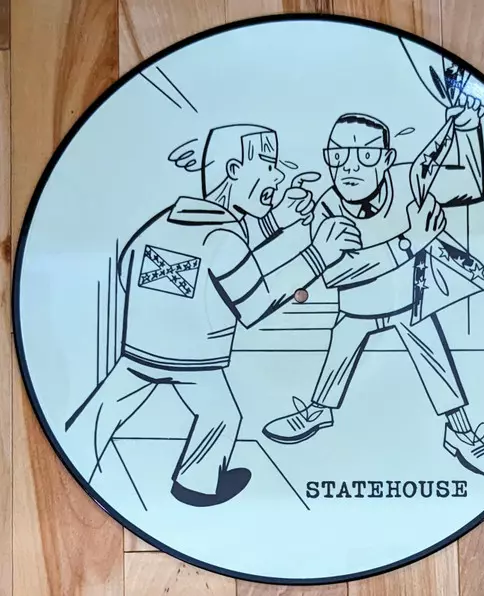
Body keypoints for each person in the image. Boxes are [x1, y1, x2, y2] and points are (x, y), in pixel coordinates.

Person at [65, 124, 361, 506]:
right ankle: (196, 485)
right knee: (222, 416)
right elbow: (253, 305)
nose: (278, 177)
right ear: (234, 169)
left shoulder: (166, 220)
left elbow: (127, 270)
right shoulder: (224, 238)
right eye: (268, 164)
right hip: (195, 358)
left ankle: (73, 446)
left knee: (109, 405)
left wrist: (274, 224)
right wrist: (318, 255)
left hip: (140, 348)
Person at [262, 101, 484, 476]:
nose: (349, 166)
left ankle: (460, 431)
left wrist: (468, 129)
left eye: (366, 155)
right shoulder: (327, 207)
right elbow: (340, 273)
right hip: (357, 308)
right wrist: (410, 242)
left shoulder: (411, 181)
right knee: (340, 349)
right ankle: (319, 411)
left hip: (409, 303)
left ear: (387, 158)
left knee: (435, 358)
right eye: (337, 155)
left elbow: (469, 186)